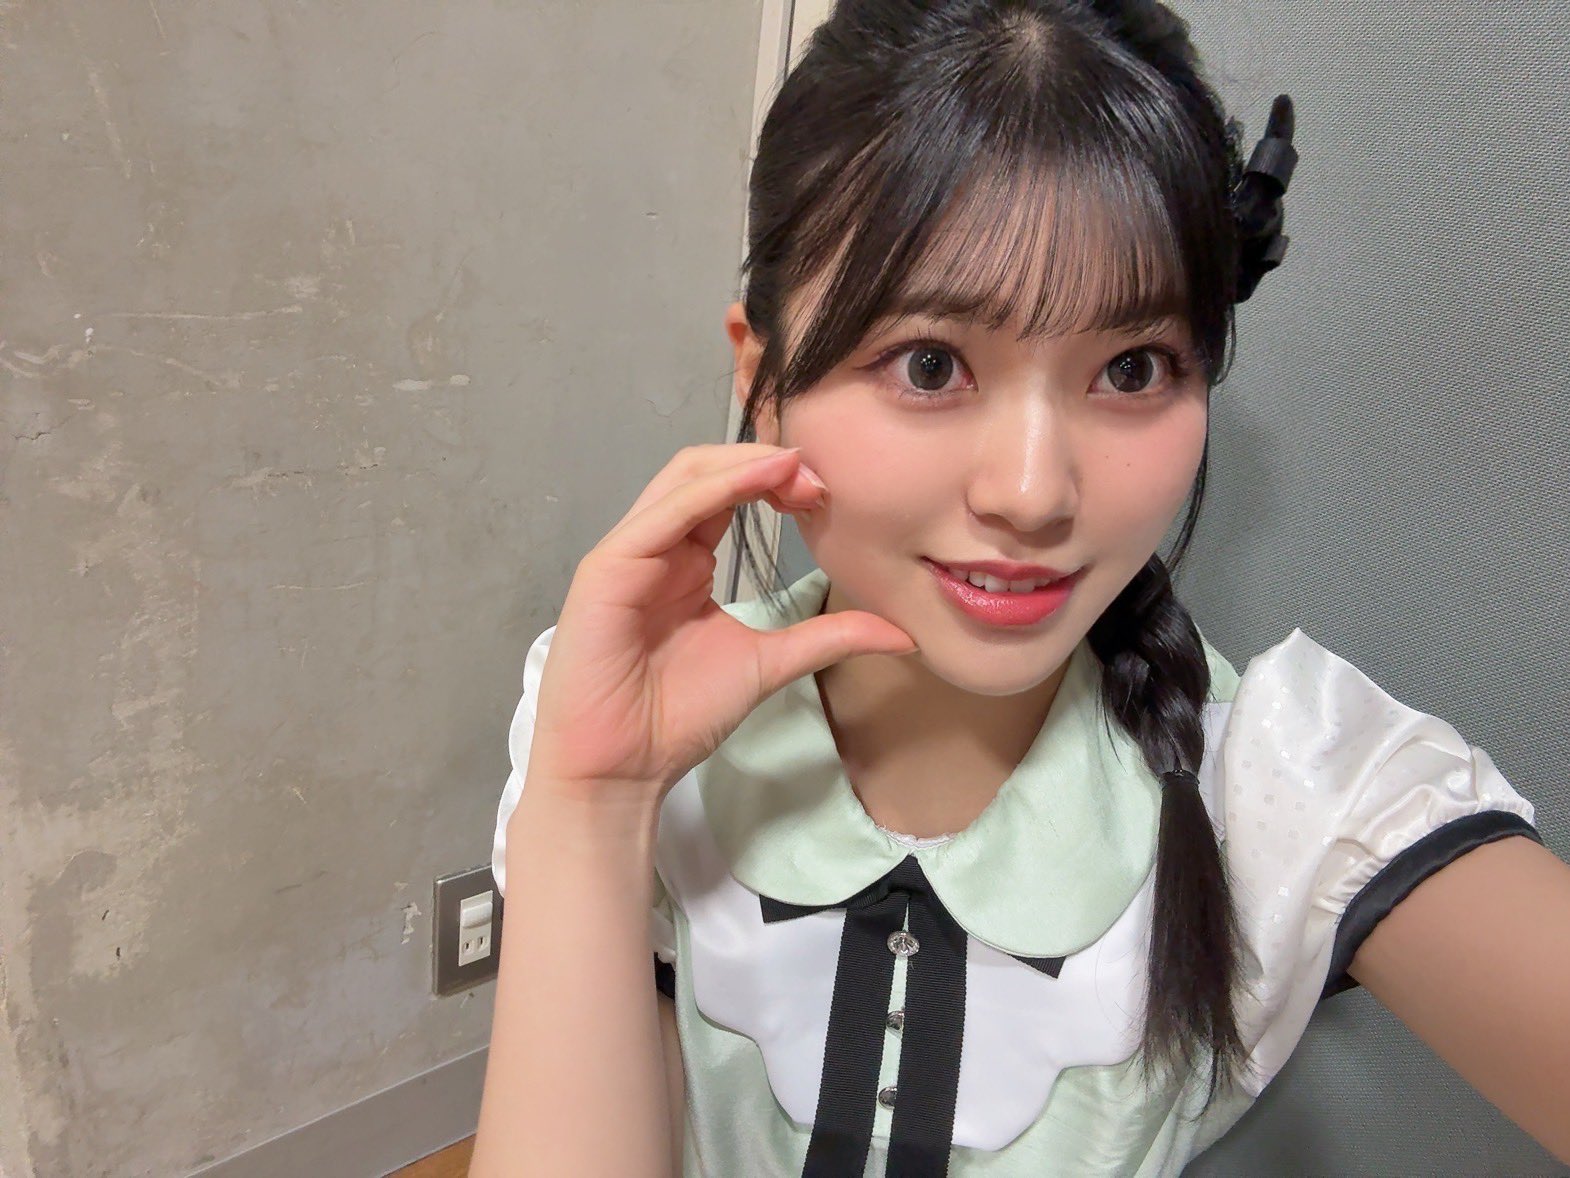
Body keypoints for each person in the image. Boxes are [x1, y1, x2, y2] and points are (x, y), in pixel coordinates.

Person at [469, 2, 1570, 1174]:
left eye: (1131, 368)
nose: (1035, 491)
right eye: (930, 364)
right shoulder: (630, 717)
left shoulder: (1285, 783)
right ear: (766, 380)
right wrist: (592, 803)